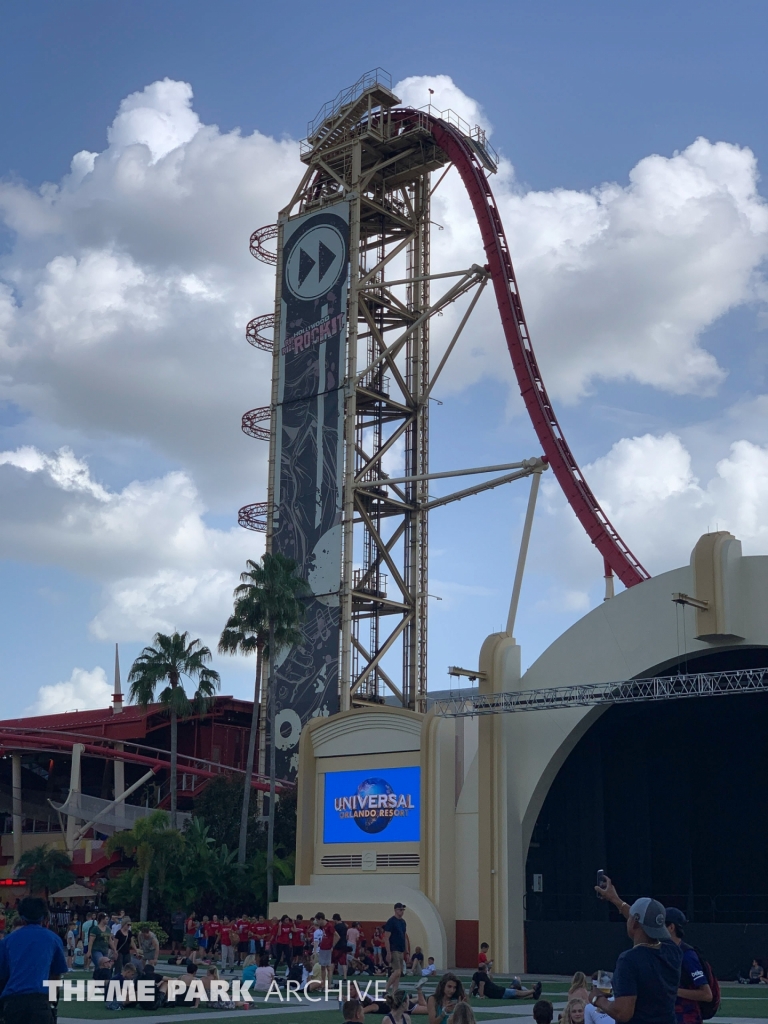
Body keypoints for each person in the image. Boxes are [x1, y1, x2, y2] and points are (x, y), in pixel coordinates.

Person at [593, 875, 682, 1024]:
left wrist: (597, 999)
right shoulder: (674, 951)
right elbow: (641, 921)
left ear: (633, 922)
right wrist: (615, 900)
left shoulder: (629, 960)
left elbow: (623, 1013)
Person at [0, 897, 68, 1024]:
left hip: (13, 1001)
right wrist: (52, 1001)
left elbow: (2, 976)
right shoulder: (53, 939)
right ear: (44, 916)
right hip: (40, 1000)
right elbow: (56, 975)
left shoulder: (7, 941)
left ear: (21, 915)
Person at [664, 908, 713, 1024]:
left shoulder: (687, 956)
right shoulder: (666, 952)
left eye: (660, 925)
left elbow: (707, 994)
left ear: (671, 927)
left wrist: (673, 991)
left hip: (687, 1019)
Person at [472, 963, 541, 1000]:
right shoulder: (482, 976)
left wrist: (469, 995)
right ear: (484, 969)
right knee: (517, 992)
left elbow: (473, 986)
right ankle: (534, 990)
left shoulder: (476, 975)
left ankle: (533, 995)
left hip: (498, 992)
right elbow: (481, 985)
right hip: (499, 991)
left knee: (517, 995)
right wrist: (481, 996)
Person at [383, 903, 408, 994]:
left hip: (401, 949)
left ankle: (394, 991)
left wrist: (407, 951)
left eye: (403, 910)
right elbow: (386, 937)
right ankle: (385, 988)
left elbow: (404, 937)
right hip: (394, 949)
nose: (402, 912)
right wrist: (388, 952)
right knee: (397, 971)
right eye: (400, 910)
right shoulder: (391, 921)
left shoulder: (403, 922)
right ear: (395, 910)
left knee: (398, 973)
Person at [317, 913, 336, 986]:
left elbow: (336, 936)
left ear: (321, 919)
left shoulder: (329, 926)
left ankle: (329, 984)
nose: (317, 922)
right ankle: (323, 984)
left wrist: (332, 946)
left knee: (328, 967)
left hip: (327, 948)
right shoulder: (323, 927)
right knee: (322, 966)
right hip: (323, 947)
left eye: (318, 920)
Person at [334, 914, 349, 979]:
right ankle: (345, 977)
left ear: (335, 919)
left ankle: (330, 976)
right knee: (344, 962)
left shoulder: (336, 927)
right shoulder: (344, 926)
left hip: (337, 945)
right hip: (344, 945)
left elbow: (335, 936)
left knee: (332, 962)